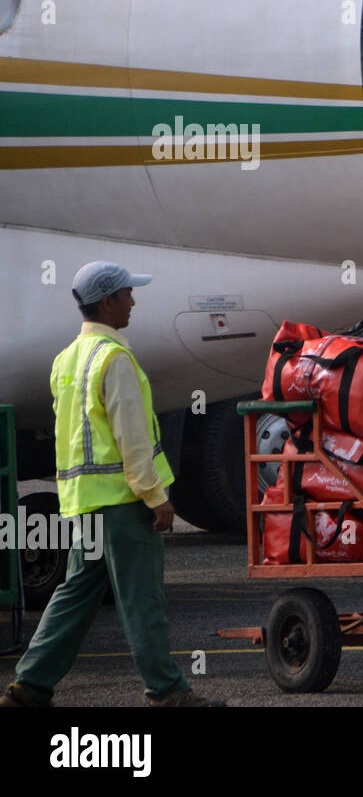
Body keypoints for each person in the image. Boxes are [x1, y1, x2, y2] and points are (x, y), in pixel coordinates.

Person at [1, 262, 221, 707]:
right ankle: (167, 692)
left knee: (75, 596)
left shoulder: (67, 360)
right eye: (126, 294)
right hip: (124, 503)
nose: (133, 301)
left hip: (85, 505)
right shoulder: (114, 359)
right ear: (106, 302)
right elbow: (131, 438)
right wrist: (155, 496)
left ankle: (29, 686)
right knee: (142, 602)